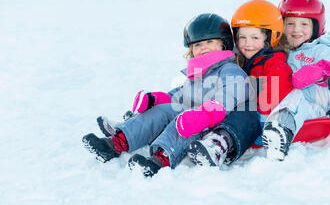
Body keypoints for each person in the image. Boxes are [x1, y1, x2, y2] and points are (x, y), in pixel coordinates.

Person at [82, 13, 254, 177]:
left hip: (210, 124)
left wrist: (205, 115)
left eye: (209, 41)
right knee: (162, 110)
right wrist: (156, 99)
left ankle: (159, 160)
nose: (203, 48)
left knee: (183, 122)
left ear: (223, 44)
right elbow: (181, 94)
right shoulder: (198, 73)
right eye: (197, 45)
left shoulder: (230, 70)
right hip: (189, 115)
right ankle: (115, 143)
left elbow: (232, 94)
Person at [186, 0, 295, 166]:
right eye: (242, 37)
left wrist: (253, 102)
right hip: (231, 115)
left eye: (254, 37)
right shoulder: (239, 61)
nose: (247, 43)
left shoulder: (275, 64)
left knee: (245, 110)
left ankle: (218, 146)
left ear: (270, 38)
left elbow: (273, 94)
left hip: (256, 122)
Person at [260, 0, 330, 161]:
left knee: (295, 95)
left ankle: (280, 132)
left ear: (316, 26)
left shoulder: (321, 51)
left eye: (304, 24)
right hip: (279, 104)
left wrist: (320, 72)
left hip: (311, 108)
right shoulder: (282, 49)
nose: (296, 30)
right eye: (290, 24)